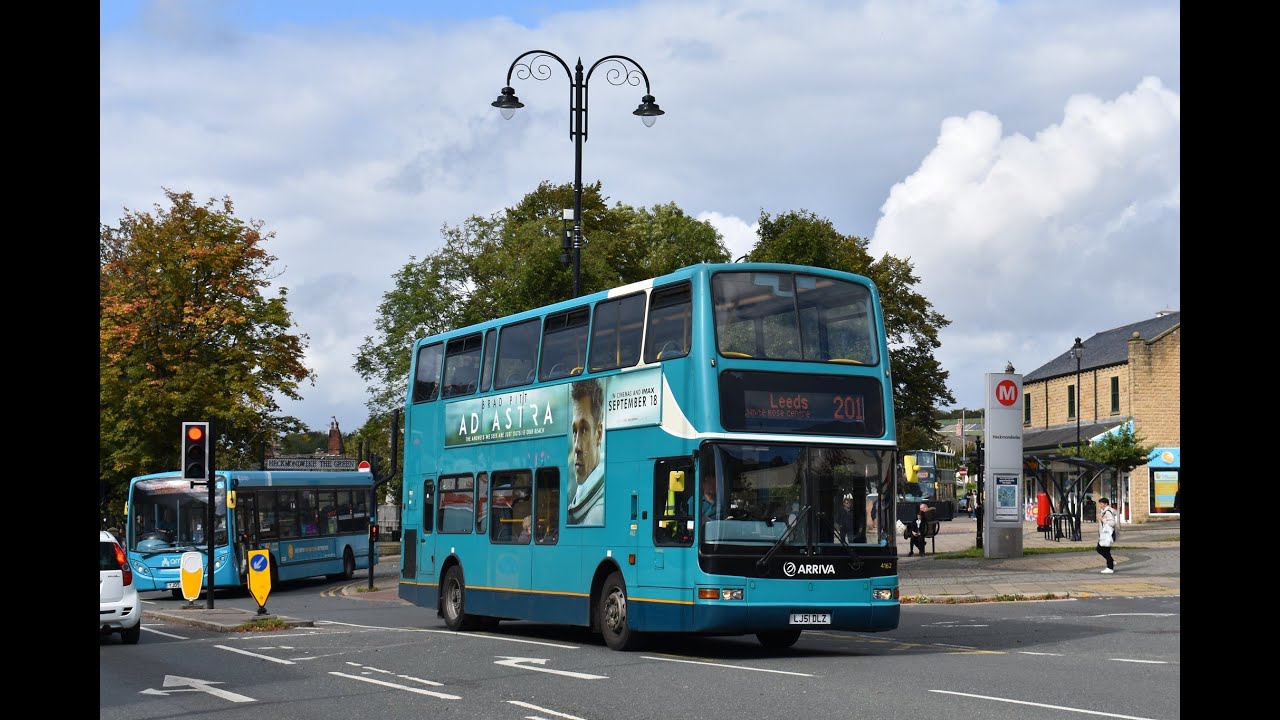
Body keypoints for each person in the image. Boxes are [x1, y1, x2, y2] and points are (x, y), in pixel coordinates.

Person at [567, 378, 605, 525]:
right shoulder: (581, 497)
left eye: (584, 430)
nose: (576, 447)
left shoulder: (595, 515)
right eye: (574, 431)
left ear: (599, 433)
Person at [1096, 497, 1117, 573]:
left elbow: (1112, 523)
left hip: (1108, 534)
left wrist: (1102, 520)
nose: (1100, 505)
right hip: (1105, 534)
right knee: (1104, 549)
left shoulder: (1107, 512)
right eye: (1100, 504)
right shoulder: (1105, 511)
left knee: (1101, 549)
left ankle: (1110, 566)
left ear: (1105, 504)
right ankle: (1111, 562)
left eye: (1101, 504)